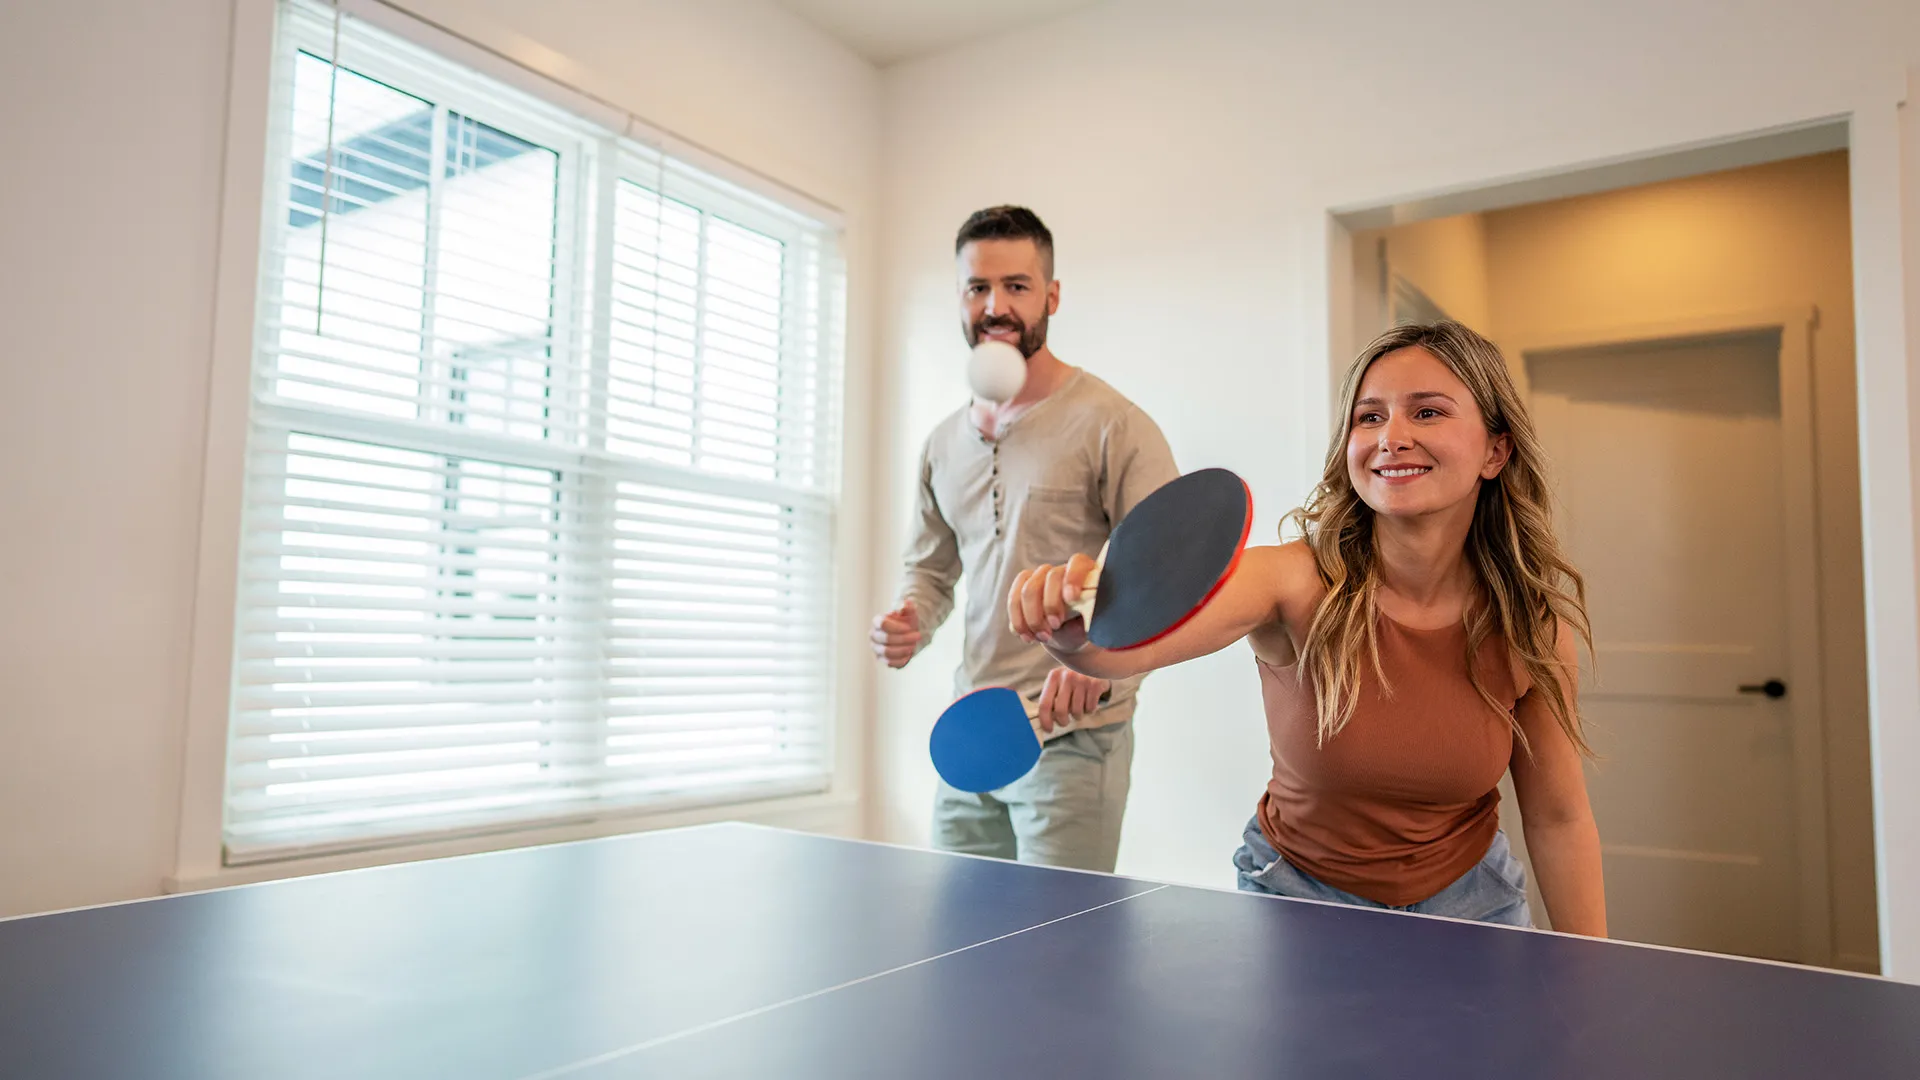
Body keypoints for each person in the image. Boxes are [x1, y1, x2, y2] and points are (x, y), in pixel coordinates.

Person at [1007, 321, 1607, 934]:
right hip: (1298, 899)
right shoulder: (1292, 581)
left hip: (1475, 906)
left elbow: (1558, 818)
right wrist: (1071, 632)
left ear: (1495, 451)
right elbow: (1130, 651)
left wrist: (1587, 974)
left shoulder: (1531, 629)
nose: (1392, 437)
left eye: (1427, 412)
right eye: (1369, 418)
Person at [873, 205, 1180, 873]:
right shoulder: (941, 445)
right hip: (972, 732)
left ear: (1052, 295)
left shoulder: (1113, 423)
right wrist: (908, 622)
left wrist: (1096, 658)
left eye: (1016, 286)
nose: (995, 306)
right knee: (959, 943)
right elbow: (929, 574)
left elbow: (1169, 574)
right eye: (978, 287)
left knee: (1056, 957)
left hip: (1073, 733)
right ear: (960, 297)